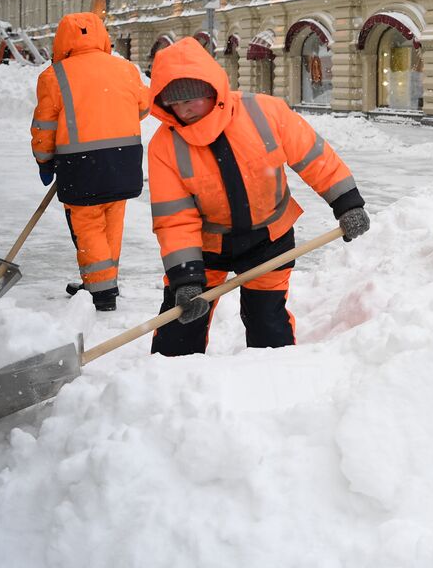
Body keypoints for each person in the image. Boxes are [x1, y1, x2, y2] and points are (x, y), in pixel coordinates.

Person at [145, 37, 370, 356]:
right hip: (207, 246)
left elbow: (315, 157)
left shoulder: (264, 112)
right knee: (179, 328)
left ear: (212, 88)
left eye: (192, 98)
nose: (185, 109)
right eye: (175, 103)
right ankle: (166, 389)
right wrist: (186, 278)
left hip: (269, 237)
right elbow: (175, 218)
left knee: (268, 323)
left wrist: (347, 203)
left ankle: (275, 385)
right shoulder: (165, 146)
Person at [31, 12, 149, 311]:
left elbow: (45, 126)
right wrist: (113, 114)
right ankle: (105, 279)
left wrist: (44, 160)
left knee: (87, 226)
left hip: (80, 164)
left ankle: (102, 291)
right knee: (112, 222)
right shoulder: (126, 69)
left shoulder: (53, 76)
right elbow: (143, 107)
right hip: (124, 159)